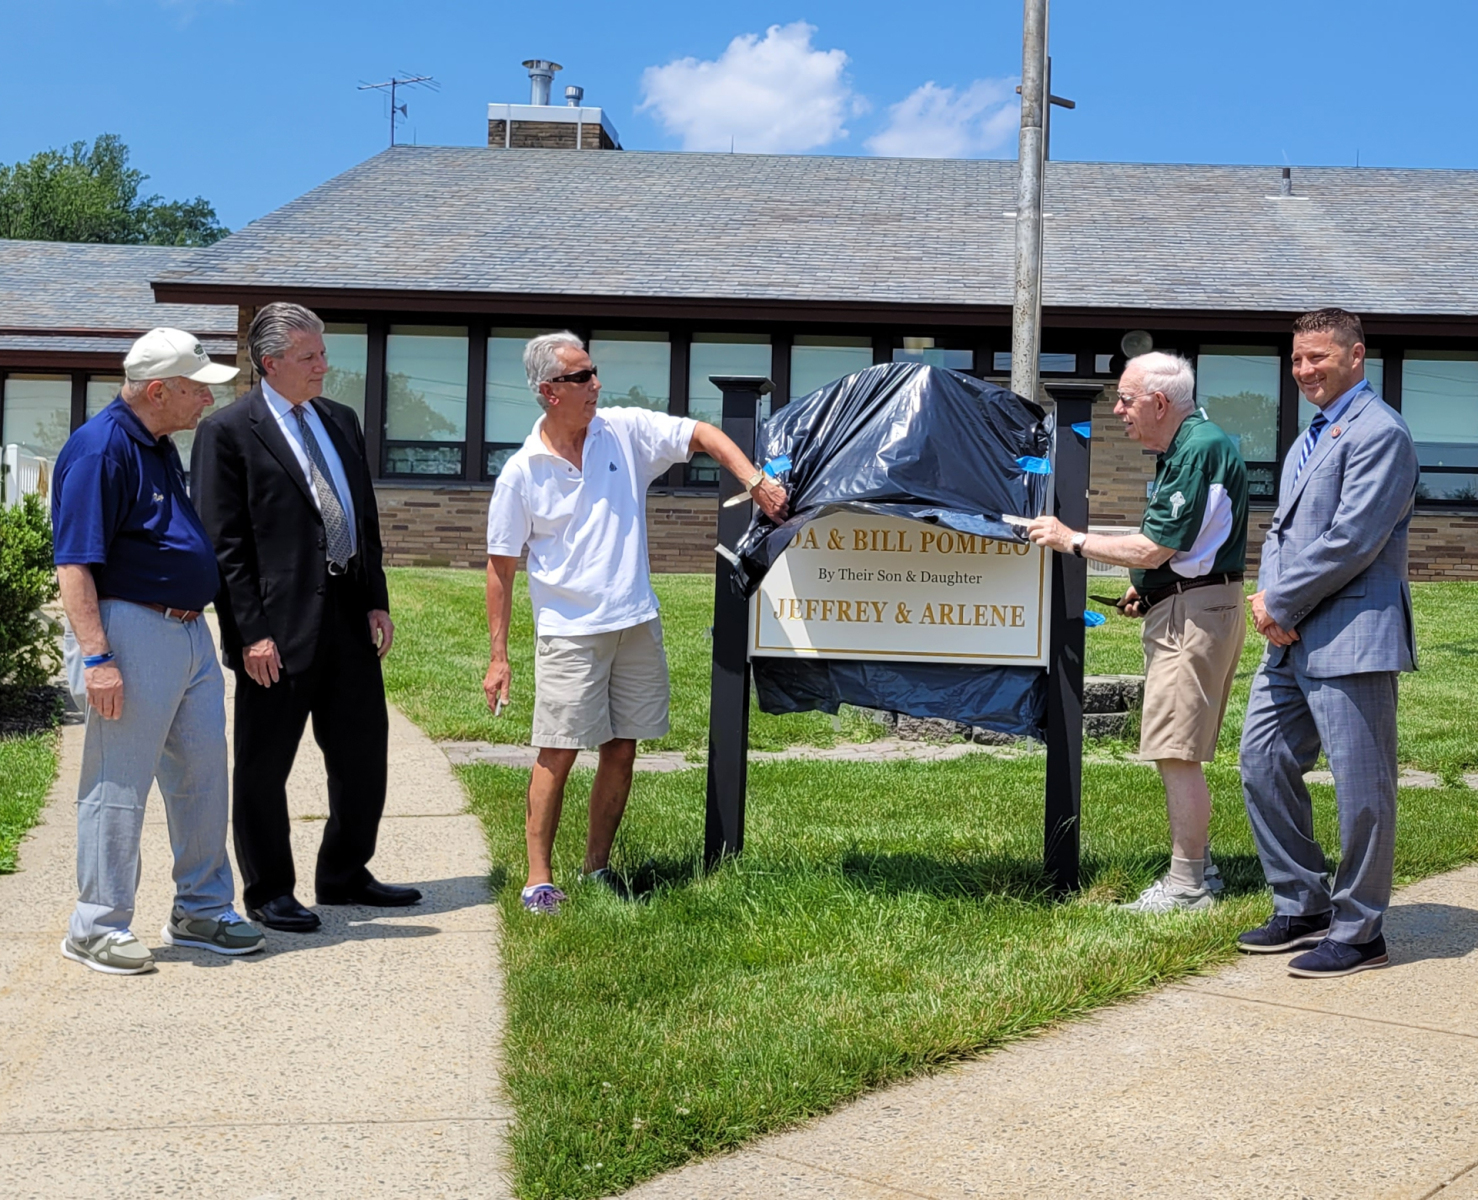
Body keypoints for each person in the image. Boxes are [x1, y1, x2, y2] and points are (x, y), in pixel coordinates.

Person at [484, 331, 788, 915]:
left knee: (622, 748)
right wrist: (499, 657)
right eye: (582, 377)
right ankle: (538, 880)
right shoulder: (521, 473)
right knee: (558, 752)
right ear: (549, 391)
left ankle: (597, 869)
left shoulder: (621, 431)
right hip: (570, 633)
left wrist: (754, 482)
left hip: (635, 622)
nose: (596, 384)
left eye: (594, 372)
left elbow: (702, 434)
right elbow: (500, 569)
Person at [191, 302, 417, 934]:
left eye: (323, 353)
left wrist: (375, 597)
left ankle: (344, 873)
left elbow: (361, 516)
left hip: (347, 615)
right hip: (276, 629)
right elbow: (224, 544)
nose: (323, 365)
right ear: (270, 363)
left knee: (362, 755)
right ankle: (269, 890)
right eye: (309, 356)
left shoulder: (340, 420)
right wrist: (249, 633)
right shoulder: (227, 432)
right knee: (265, 765)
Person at [51, 328, 264, 974]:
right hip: (130, 630)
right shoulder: (100, 449)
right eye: (197, 389)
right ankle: (96, 926)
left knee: (202, 775)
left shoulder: (158, 444)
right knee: (118, 784)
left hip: (187, 633)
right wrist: (97, 658)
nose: (207, 400)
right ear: (159, 390)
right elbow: (74, 564)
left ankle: (202, 909)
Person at [1028, 351, 1248, 912]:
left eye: (1126, 400)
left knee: (1176, 751)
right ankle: (1199, 867)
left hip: (1192, 616)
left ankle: (1187, 886)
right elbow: (1184, 546)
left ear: (1159, 403)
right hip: (1195, 603)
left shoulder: (1194, 450)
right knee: (1179, 747)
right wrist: (1149, 588)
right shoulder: (1196, 444)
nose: (1119, 410)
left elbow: (1154, 546)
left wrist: (1072, 539)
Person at [1237, 308, 1418, 977]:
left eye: (1318, 356)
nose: (1304, 369)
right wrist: (1272, 605)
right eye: (1296, 359)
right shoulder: (1310, 436)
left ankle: (1361, 931)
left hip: (1352, 636)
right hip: (1289, 638)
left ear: (1356, 356)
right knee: (1261, 761)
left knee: (1361, 787)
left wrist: (1279, 602)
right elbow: (1285, 532)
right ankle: (1304, 903)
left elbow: (1353, 539)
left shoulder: (1380, 433)